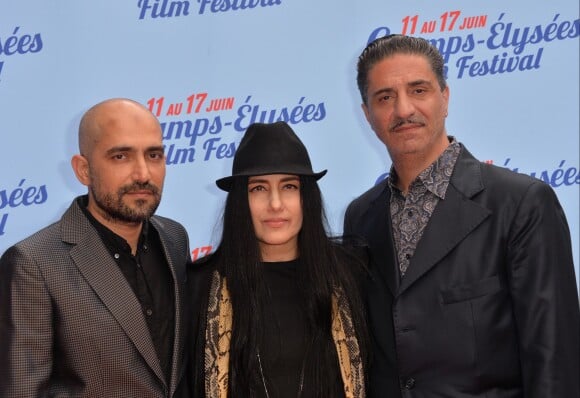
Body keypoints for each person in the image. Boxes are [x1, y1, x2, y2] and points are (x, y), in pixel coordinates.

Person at [344, 34, 580, 398]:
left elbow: (554, 363)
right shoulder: (361, 218)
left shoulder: (521, 204)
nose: (403, 109)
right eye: (385, 97)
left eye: (418, 90)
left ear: (445, 97)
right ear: (367, 115)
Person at [0, 98, 191, 397]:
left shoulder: (175, 239)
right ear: (83, 170)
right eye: (120, 157)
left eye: (154, 155)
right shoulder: (33, 263)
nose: (143, 173)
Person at [188, 121, 369, 398]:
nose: (275, 203)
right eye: (258, 189)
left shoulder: (351, 276)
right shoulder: (200, 287)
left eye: (289, 187)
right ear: (240, 202)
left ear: (307, 197)